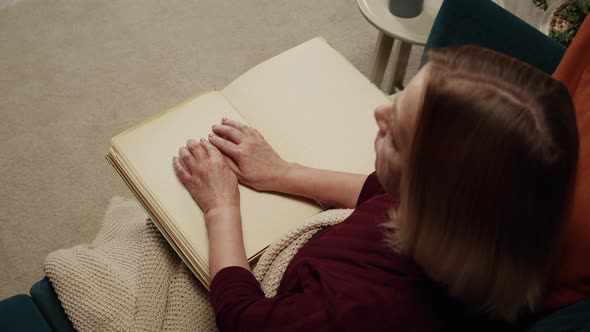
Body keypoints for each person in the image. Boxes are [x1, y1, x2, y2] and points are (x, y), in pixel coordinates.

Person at [172, 46, 579, 331]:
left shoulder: (359, 310)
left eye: (397, 138)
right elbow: (379, 192)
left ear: (431, 205)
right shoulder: (499, 223)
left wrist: (220, 208)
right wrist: (283, 173)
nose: (379, 111)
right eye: (399, 97)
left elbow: (245, 319)